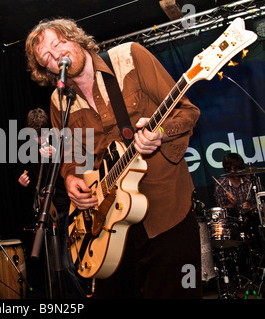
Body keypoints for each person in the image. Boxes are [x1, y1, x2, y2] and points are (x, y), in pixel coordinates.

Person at [25, 18, 202, 298]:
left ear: (76, 38)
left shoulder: (129, 57)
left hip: (165, 208)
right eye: (46, 56)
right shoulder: (60, 101)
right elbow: (69, 154)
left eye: (59, 43)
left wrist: (161, 134)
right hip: (107, 222)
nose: (56, 54)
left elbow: (187, 112)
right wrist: (70, 178)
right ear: (45, 69)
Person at [18, 107, 86, 298]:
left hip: (65, 210)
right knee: (51, 266)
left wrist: (54, 156)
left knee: (68, 264)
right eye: (34, 136)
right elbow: (36, 180)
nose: (39, 140)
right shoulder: (31, 150)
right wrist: (24, 182)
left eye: (42, 134)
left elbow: (73, 170)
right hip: (46, 213)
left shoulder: (60, 143)